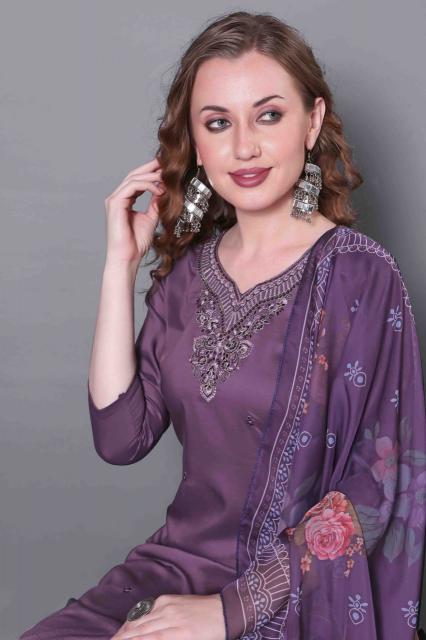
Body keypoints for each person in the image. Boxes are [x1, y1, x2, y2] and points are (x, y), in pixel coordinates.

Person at [19, 10, 426, 640]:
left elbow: (378, 485)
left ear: (312, 121)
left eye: (269, 116)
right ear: (195, 139)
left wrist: (227, 612)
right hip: (171, 573)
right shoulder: (187, 278)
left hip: (292, 595)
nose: (243, 148)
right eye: (218, 123)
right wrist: (119, 266)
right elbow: (120, 439)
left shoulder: (359, 277)